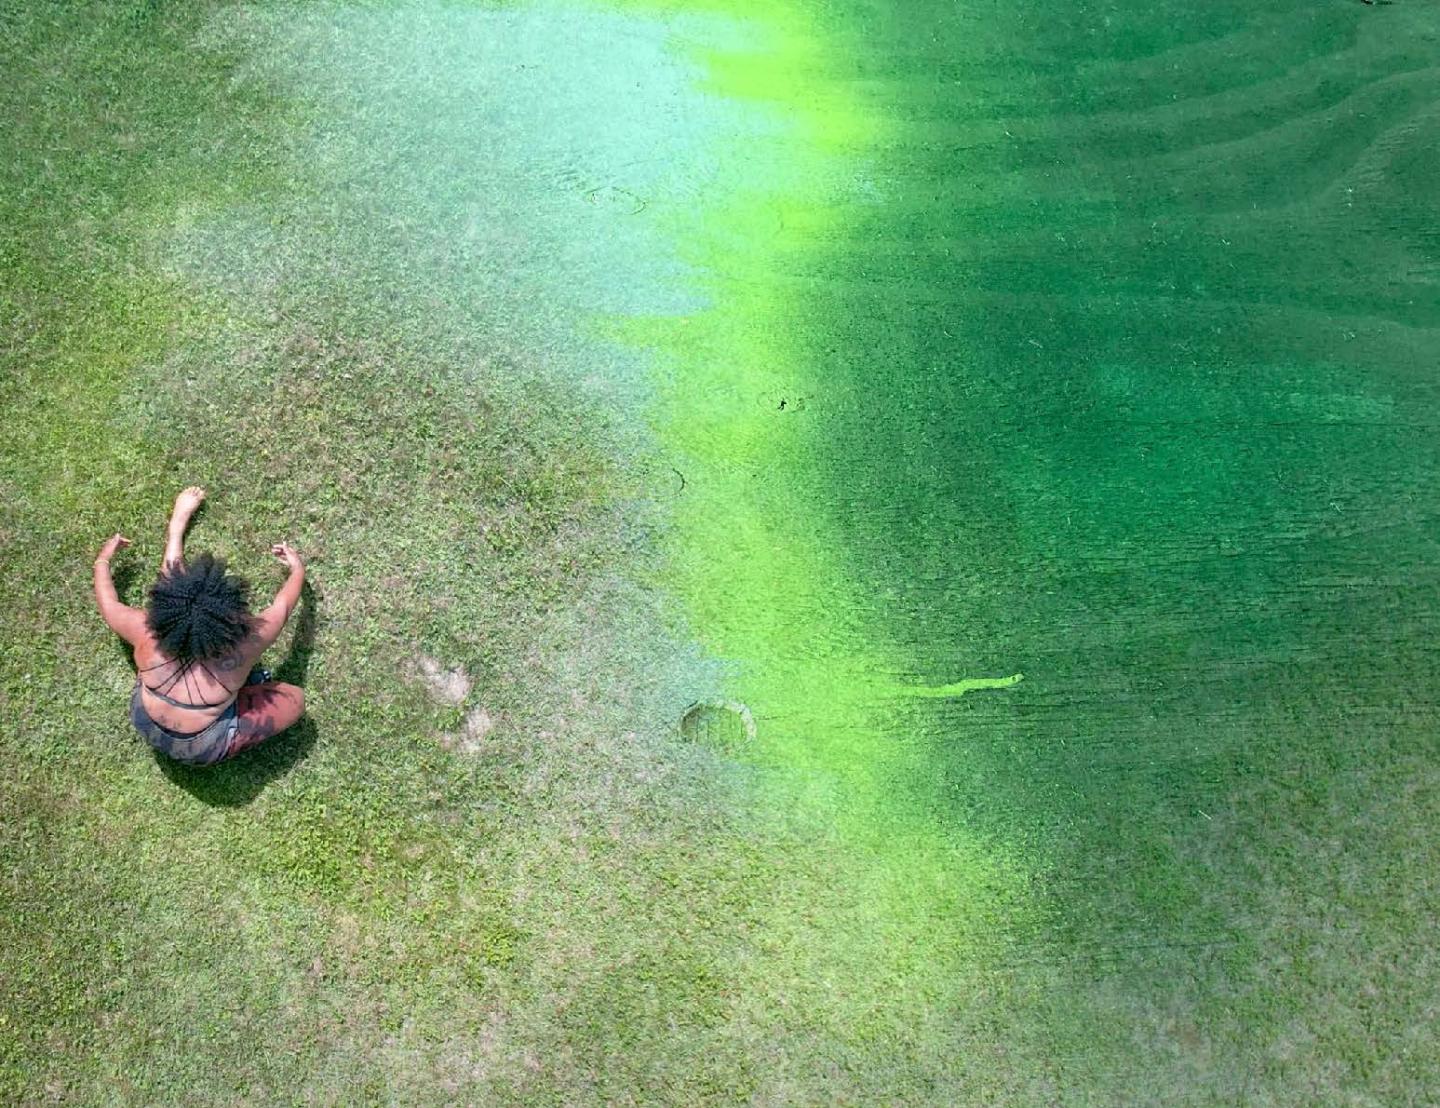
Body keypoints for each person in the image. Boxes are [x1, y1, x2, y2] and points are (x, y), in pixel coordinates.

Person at [93, 486, 307, 766]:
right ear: (231, 617)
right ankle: (247, 692)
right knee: (295, 699)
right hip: (203, 746)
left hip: (144, 718)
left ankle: (177, 525)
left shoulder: (145, 632)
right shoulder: (243, 648)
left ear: (168, 608)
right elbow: (282, 607)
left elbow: (110, 605)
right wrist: (298, 570)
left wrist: (103, 562)